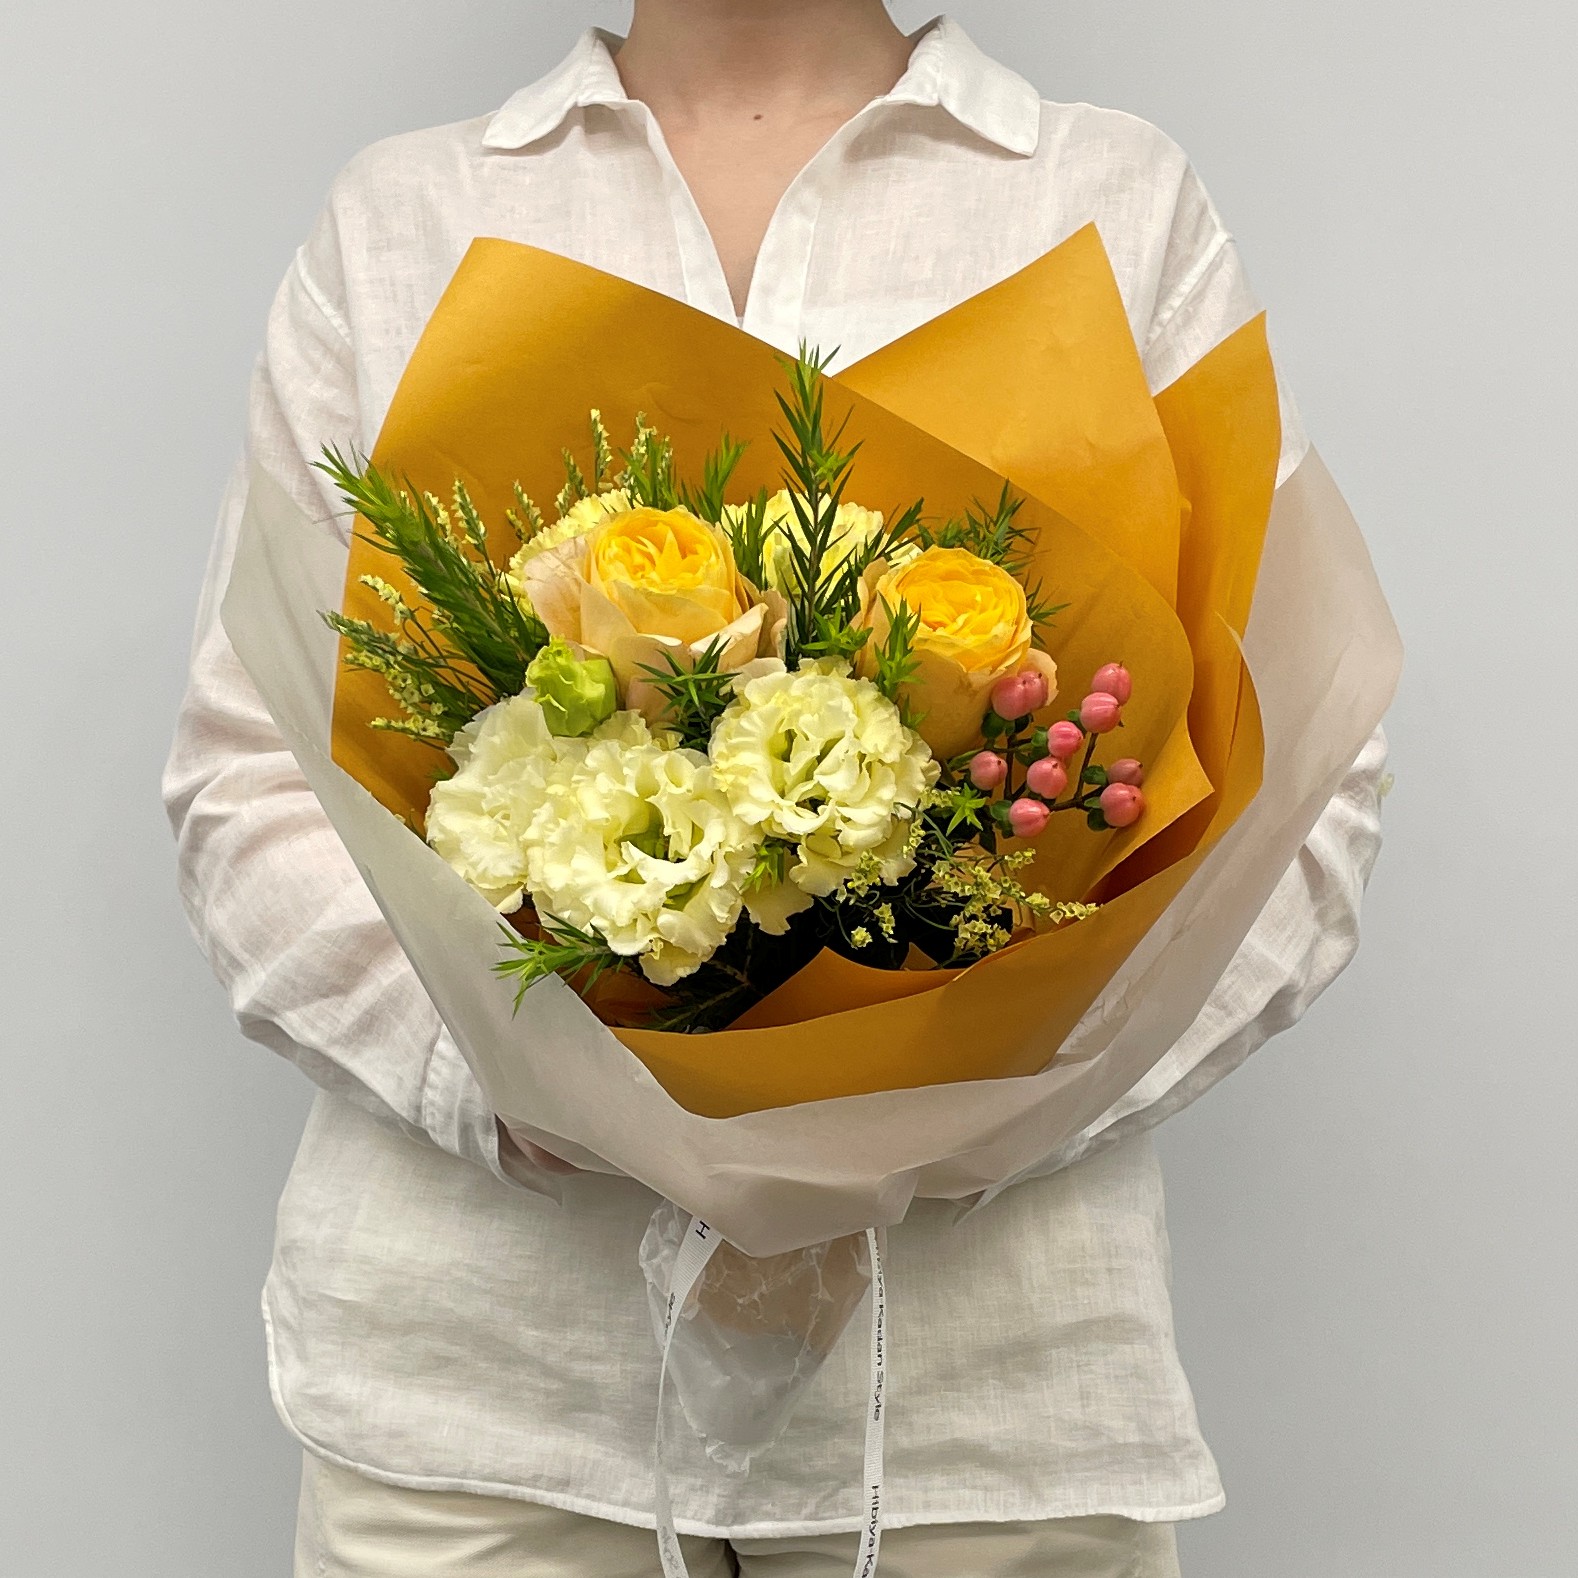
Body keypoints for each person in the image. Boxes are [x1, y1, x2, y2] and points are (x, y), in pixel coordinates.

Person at [163, 3, 1388, 1573]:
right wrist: (527, 1096)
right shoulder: (409, 212)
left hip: (976, 1412)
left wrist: (961, 1119)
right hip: (484, 1394)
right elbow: (252, 776)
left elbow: (1296, 784)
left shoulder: (1101, 195)